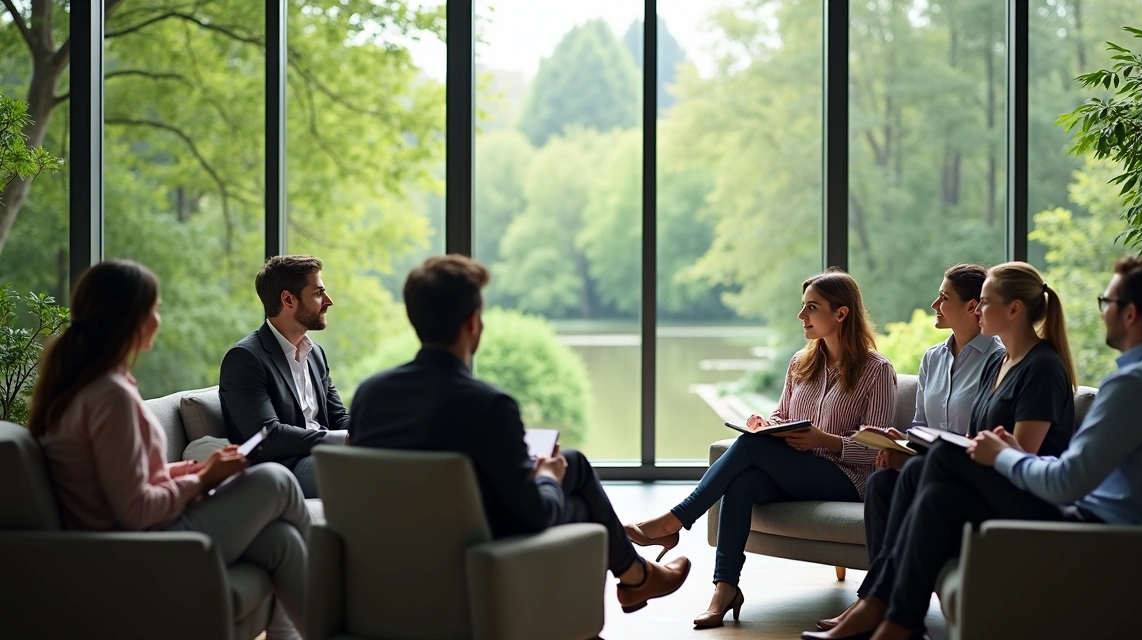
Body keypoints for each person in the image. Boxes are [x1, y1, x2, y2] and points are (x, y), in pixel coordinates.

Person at [803, 256, 1142, 640]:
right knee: (934, 492)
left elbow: (1067, 482)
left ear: (1130, 314)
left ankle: (884, 610)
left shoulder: (1135, 384)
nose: (1102, 313)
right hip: (1091, 514)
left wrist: (1005, 455)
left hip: (1094, 528)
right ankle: (894, 618)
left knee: (938, 464)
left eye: (1107, 302)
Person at [348, 255, 691, 613]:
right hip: (472, 554)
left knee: (573, 463)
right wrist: (545, 478)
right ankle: (633, 579)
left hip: (392, 555)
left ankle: (634, 578)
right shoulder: (489, 405)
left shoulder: (370, 394)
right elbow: (536, 516)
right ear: (473, 323)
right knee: (575, 496)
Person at [31, 260, 310, 640]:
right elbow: (139, 511)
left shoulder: (92, 385)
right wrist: (204, 478)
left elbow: (137, 478)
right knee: (276, 479)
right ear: (131, 317)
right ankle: (342, 617)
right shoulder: (109, 396)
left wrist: (196, 469)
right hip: (138, 552)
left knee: (282, 542)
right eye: (155, 310)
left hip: (142, 538)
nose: (159, 321)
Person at [818, 260, 1077, 634]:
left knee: (935, 466)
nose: (978, 309)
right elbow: (974, 441)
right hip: (987, 481)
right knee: (884, 483)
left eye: (985, 302)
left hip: (1023, 492)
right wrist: (903, 442)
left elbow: (1023, 457)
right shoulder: (999, 365)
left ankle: (879, 604)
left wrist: (951, 453)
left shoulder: (1042, 368)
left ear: (1014, 309)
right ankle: (887, 610)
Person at [628, 269, 898, 628]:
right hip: (797, 471)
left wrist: (824, 440)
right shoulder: (801, 363)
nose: (801, 316)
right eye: (803, 307)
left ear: (841, 313)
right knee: (742, 485)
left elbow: (879, 449)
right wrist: (767, 426)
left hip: (849, 480)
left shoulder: (877, 371)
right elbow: (784, 414)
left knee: (749, 450)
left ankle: (674, 520)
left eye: (811, 308)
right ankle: (725, 588)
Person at [220, 255, 349, 499]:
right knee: (368, 468)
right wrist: (341, 440)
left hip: (325, 456)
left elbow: (338, 416)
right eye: (318, 293)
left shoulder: (316, 354)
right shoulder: (245, 358)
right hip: (286, 468)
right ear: (288, 299)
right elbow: (268, 435)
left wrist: (371, 433)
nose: (329, 301)